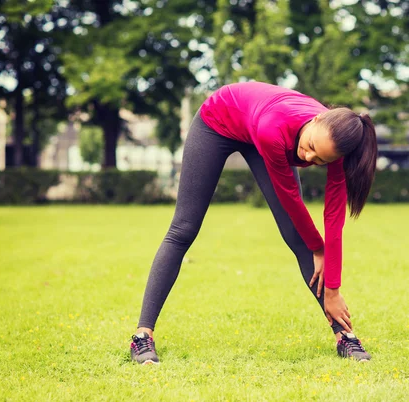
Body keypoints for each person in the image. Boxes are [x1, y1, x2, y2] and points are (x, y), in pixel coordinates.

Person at [130, 82, 378, 364]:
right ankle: (142, 336)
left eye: (319, 160)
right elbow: (291, 199)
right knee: (183, 230)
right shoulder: (275, 130)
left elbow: (334, 217)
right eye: (309, 148)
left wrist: (333, 286)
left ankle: (344, 337)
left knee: (299, 241)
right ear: (317, 119)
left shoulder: (336, 141)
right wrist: (318, 248)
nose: (307, 157)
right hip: (219, 121)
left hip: (260, 123)